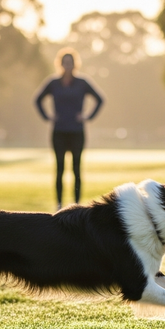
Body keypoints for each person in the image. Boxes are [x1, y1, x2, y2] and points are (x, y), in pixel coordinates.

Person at [35, 48, 104, 210]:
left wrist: (87, 116)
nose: (68, 65)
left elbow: (100, 99)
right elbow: (38, 100)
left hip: (76, 131)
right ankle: (59, 205)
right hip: (59, 131)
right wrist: (47, 116)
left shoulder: (82, 83)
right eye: (65, 63)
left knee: (76, 169)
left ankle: (76, 205)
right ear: (60, 64)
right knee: (59, 169)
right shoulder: (53, 83)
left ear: (75, 64)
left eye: (70, 62)